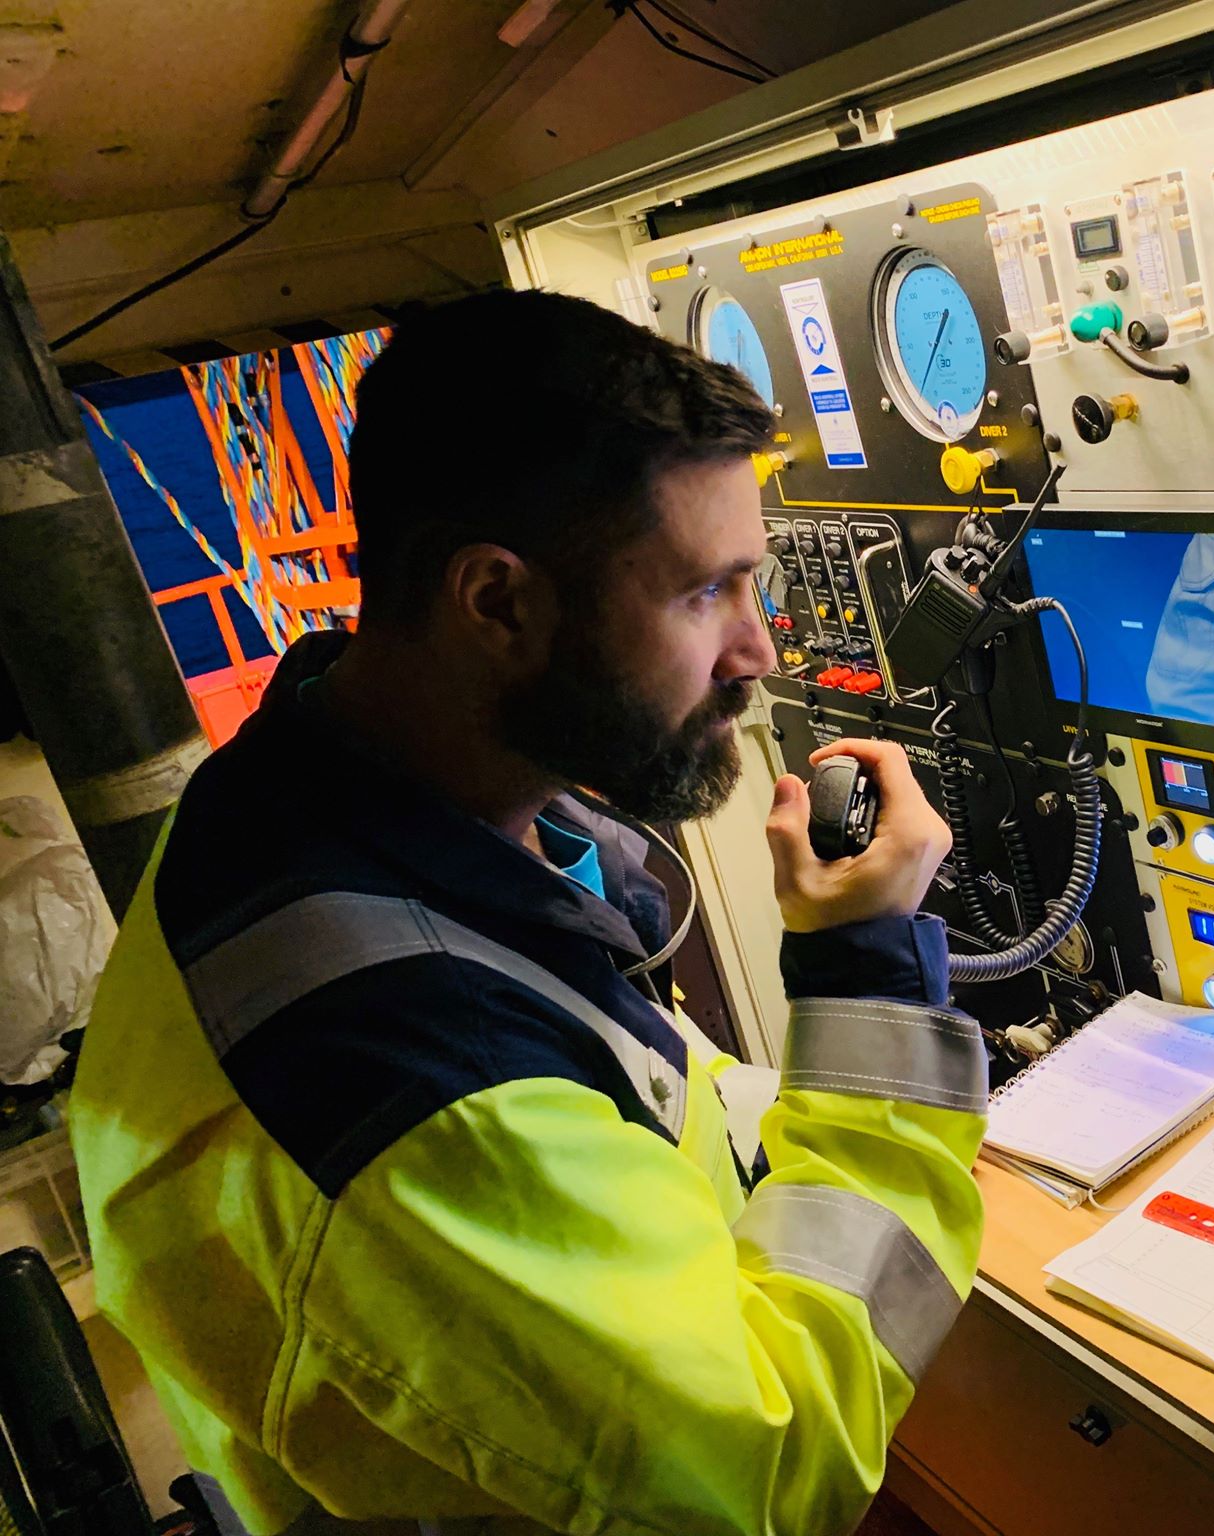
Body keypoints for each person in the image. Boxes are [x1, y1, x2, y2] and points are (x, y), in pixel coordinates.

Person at [69, 290, 986, 1536]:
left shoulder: (288, 794)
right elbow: (774, 1473)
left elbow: (630, 1105)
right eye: (705, 594)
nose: (759, 651)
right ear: (496, 603)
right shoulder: (432, 1089)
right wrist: (867, 984)